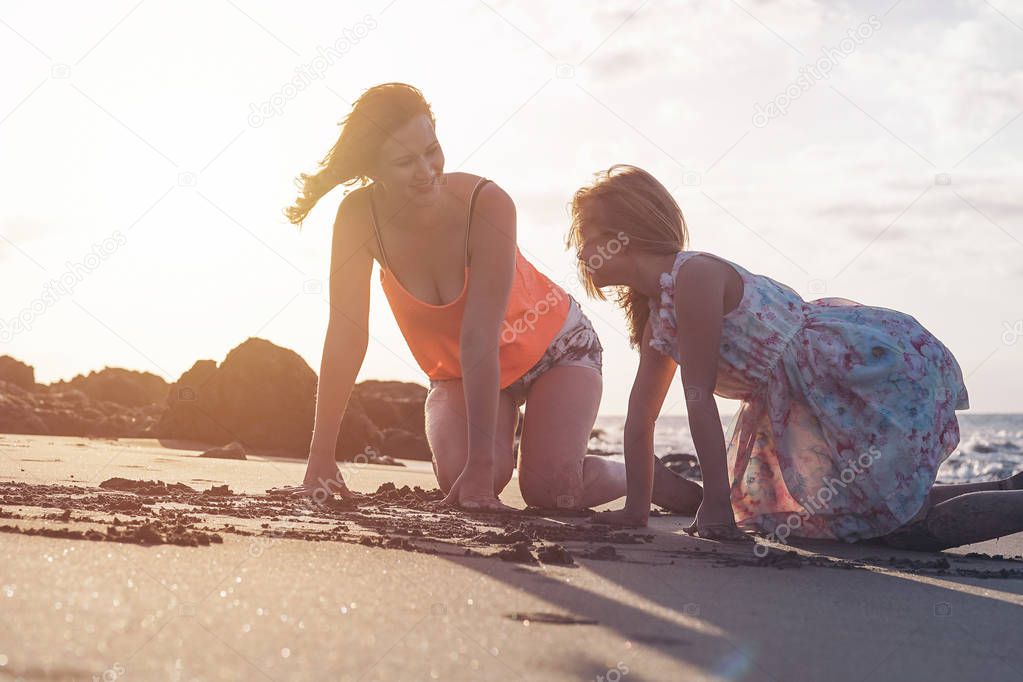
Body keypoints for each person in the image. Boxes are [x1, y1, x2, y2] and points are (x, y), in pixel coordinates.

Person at [275, 84, 701, 513]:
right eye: (405, 162)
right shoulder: (357, 218)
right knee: (460, 474)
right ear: (374, 170)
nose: (426, 170)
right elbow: (347, 335)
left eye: (432, 150)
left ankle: (639, 473)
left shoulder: (487, 203)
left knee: (552, 492)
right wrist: (321, 458)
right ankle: (495, 454)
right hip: (461, 371)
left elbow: (480, 335)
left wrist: (482, 469)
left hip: (557, 351)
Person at [571, 164, 1023, 550]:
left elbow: (698, 396)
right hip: (807, 402)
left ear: (620, 237)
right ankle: (1008, 488)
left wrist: (716, 504)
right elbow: (640, 416)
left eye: (584, 237)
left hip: (848, 379)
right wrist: (635, 509)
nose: (579, 252)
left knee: (899, 524)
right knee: (874, 516)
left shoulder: (694, 276)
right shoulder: (660, 313)